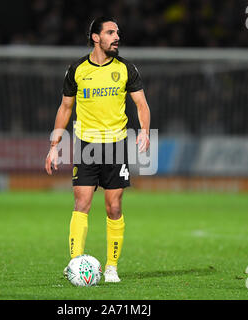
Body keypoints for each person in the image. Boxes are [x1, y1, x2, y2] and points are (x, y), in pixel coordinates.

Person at [45, 16, 151, 283]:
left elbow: (141, 104)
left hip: (116, 146)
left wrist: (145, 132)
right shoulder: (77, 69)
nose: (117, 37)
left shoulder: (126, 69)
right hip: (86, 145)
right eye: (110, 32)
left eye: (118, 32)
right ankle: (75, 263)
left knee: (113, 207)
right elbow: (65, 107)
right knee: (81, 203)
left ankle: (112, 267)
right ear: (95, 37)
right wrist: (54, 145)